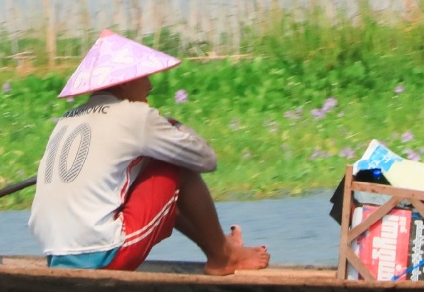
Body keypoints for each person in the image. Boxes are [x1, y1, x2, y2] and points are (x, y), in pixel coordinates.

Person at [29, 30, 271, 275]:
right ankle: (224, 256)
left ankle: (221, 247)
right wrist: (173, 125)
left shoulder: (68, 118)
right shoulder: (135, 116)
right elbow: (206, 159)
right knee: (175, 165)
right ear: (123, 82)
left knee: (144, 168)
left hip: (56, 255)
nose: (150, 85)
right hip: (102, 254)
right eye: (143, 76)